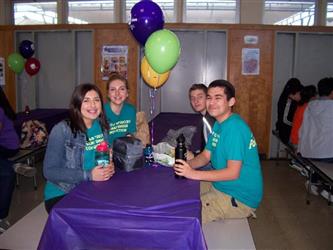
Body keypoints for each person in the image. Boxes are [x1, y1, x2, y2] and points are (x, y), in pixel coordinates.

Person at [174, 80, 263, 224]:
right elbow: (204, 156)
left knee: (184, 215)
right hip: (221, 185)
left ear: (231, 101)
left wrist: (193, 173)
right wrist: (186, 166)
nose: (211, 102)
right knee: (181, 191)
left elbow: (232, 173)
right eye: (209, 97)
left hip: (238, 197)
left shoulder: (235, 128)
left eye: (218, 98)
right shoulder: (219, 124)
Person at [43, 83, 115, 213]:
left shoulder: (103, 127)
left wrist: (109, 166)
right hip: (63, 192)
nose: (93, 105)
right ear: (76, 104)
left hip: (92, 187)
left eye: (96, 100)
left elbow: (103, 157)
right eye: (86, 100)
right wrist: (89, 175)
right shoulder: (62, 130)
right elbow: (49, 171)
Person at [298, 77, 333, 162]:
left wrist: (299, 149)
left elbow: (302, 130)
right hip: (328, 153)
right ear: (332, 92)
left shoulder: (310, 106)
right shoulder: (331, 107)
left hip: (310, 151)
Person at [0, 88, 19, 233]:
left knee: (5, 171)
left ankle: (11, 165)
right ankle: (13, 166)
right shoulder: (4, 106)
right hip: (10, 145)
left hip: (7, 146)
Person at [104, 73, 136, 145]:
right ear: (108, 94)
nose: (117, 93)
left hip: (122, 152)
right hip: (104, 153)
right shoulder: (101, 112)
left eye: (121, 89)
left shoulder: (131, 110)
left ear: (127, 93)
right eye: (113, 89)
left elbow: (130, 134)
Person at [276, 78, 303, 144]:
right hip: (286, 132)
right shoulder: (288, 101)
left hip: (287, 129)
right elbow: (285, 120)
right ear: (293, 94)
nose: (301, 95)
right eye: (299, 93)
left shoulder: (287, 97)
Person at [189, 84, 215, 151]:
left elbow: (212, 152)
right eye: (192, 98)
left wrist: (194, 156)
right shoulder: (205, 116)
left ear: (207, 98)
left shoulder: (210, 119)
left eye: (200, 97)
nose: (196, 101)